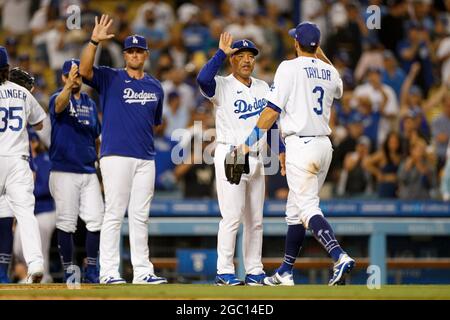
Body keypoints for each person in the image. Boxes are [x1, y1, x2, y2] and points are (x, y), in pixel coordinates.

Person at [236, 22, 355, 286]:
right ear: (317, 45)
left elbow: (270, 113)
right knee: (295, 210)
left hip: (300, 146)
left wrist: (246, 145)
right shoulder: (331, 72)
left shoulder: (288, 68)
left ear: (296, 43)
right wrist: (318, 53)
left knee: (308, 208)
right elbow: (339, 87)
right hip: (324, 146)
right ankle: (285, 272)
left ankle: (339, 255)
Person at [79, 15, 167, 285]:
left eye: (139, 51)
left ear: (146, 55)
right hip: (116, 155)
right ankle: (108, 272)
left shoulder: (156, 86)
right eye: (131, 51)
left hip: (145, 157)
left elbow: (155, 123)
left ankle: (142, 272)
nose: (135, 54)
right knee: (114, 212)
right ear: (125, 54)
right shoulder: (110, 76)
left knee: (140, 216)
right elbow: (84, 71)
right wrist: (94, 41)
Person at [197, 33, 284, 285]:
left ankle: (254, 270)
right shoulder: (221, 85)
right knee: (232, 216)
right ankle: (224, 271)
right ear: (232, 60)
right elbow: (202, 78)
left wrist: (280, 149)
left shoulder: (262, 87)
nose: (247, 60)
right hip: (232, 153)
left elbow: (271, 121)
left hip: (257, 156)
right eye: (240, 56)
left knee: (256, 220)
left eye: (250, 56)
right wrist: (220, 54)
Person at [48, 59, 104, 283]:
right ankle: (70, 271)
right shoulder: (58, 97)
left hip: (88, 170)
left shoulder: (90, 103)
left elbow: (96, 135)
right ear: (63, 77)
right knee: (66, 223)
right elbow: (59, 106)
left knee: (96, 220)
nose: (75, 79)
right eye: (70, 75)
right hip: (64, 170)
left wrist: (98, 162)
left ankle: (91, 269)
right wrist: (67, 88)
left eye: (78, 75)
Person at [0, 46, 46, 283]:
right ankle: (36, 263)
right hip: (18, 161)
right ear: (7, 69)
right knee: (26, 214)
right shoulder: (22, 92)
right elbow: (40, 123)